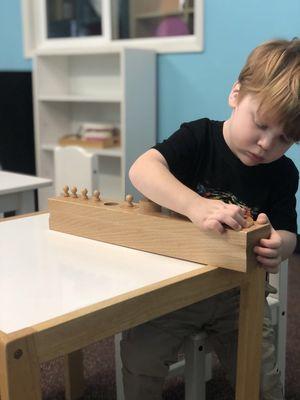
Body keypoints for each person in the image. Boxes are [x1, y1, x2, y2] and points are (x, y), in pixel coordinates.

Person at [121, 38, 300, 400]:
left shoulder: (282, 172)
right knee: (139, 359)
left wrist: (280, 246)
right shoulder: (199, 136)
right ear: (236, 93)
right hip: (172, 289)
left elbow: (288, 231)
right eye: (261, 124)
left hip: (238, 295)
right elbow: (141, 169)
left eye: (283, 138)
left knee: (264, 383)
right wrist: (195, 205)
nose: (266, 144)